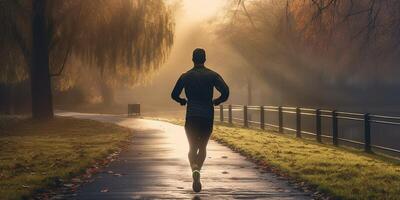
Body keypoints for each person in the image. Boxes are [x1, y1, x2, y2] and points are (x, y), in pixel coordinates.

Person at [171, 48, 229, 193]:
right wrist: (217, 100)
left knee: (191, 148)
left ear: (192, 59)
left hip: (191, 116)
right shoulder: (213, 75)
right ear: (205, 59)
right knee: (202, 147)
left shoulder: (186, 76)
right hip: (207, 116)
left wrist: (182, 101)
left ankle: (194, 169)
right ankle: (198, 170)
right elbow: (226, 91)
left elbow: (174, 94)